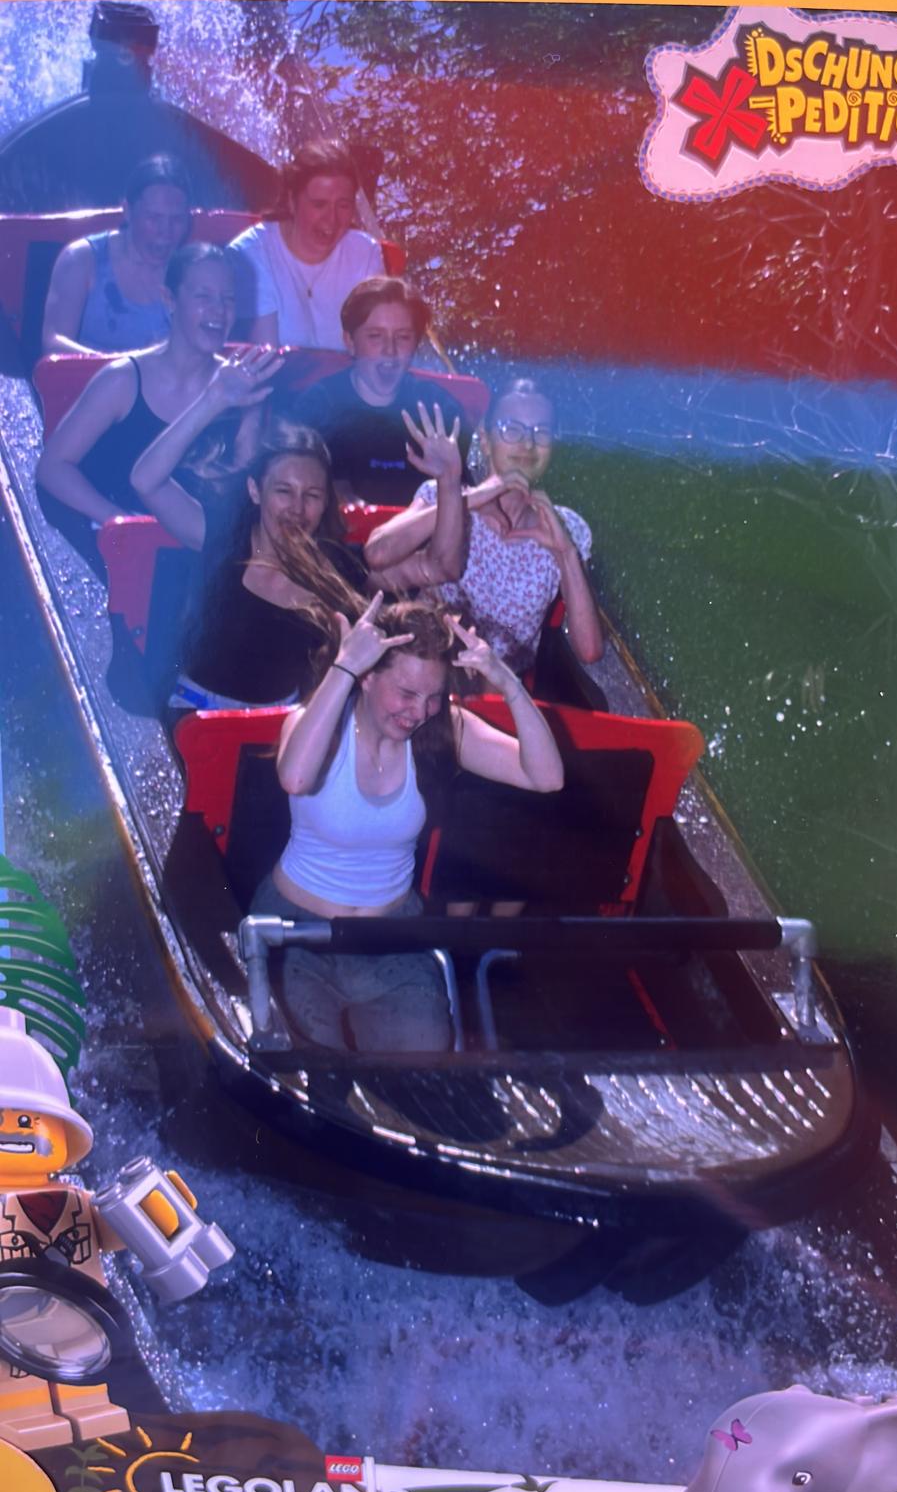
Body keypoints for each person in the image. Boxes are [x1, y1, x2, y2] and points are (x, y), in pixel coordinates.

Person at [250, 592, 564, 1055]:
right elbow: (294, 777)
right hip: (299, 933)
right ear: (368, 677)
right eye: (407, 693)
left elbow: (547, 776)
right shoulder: (317, 721)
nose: (419, 712)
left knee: (425, 1057)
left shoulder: (442, 728)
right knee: (316, 1063)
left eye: (433, 697)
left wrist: (506, 681)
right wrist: (343, 668)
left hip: (390, 936)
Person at [131, 346, 365, 710]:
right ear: (256, 491)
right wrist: (213, 400)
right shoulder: (222, 538)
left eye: (312, 495)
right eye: (284, 491)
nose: (297, 508)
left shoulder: (336, 571)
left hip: (276, 728)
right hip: (195, 719)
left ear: (325, 503)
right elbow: (145, 480)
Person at [364, 377, 603, 678]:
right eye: (512, 429)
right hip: (430, 674)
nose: (527, 444)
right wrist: (468, 499)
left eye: (541, 433)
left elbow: (590, 651)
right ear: (486, 440)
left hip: (502, 688)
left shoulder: (566, 526)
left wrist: (565, 553)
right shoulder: (445, 495)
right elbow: (377, 553)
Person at [36, 243, 239, 575]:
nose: (218, 311)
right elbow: (52, 468)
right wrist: (118, 520)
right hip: (110, 550)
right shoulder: (121, 380)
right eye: (204, 297)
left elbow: (243, 504)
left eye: (228, 299)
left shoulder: (242, 389)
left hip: (195, 561)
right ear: (169, 299)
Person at [277, 276, 472, 507]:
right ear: (350, 342)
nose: (390, 350)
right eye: (375, 336)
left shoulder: (440, 410)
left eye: (403, 337)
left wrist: (449, 480)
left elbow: (470, 501)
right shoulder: (317, 408)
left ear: (416, 344)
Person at [229, 140, 383, 351]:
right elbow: (265, 358)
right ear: (292, 201)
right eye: (319, 205)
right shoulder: (250, 255)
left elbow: (377, 350)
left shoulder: (366, 254)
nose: (331, 220)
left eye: (343, 205)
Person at [41, 153, 192, 356]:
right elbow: (53, 344)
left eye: (176, 220)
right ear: (127, 211)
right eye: (154, 218)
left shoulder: (193, 270)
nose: (165, 231)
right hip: (92, 376)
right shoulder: (81, 260)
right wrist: (124, 368)